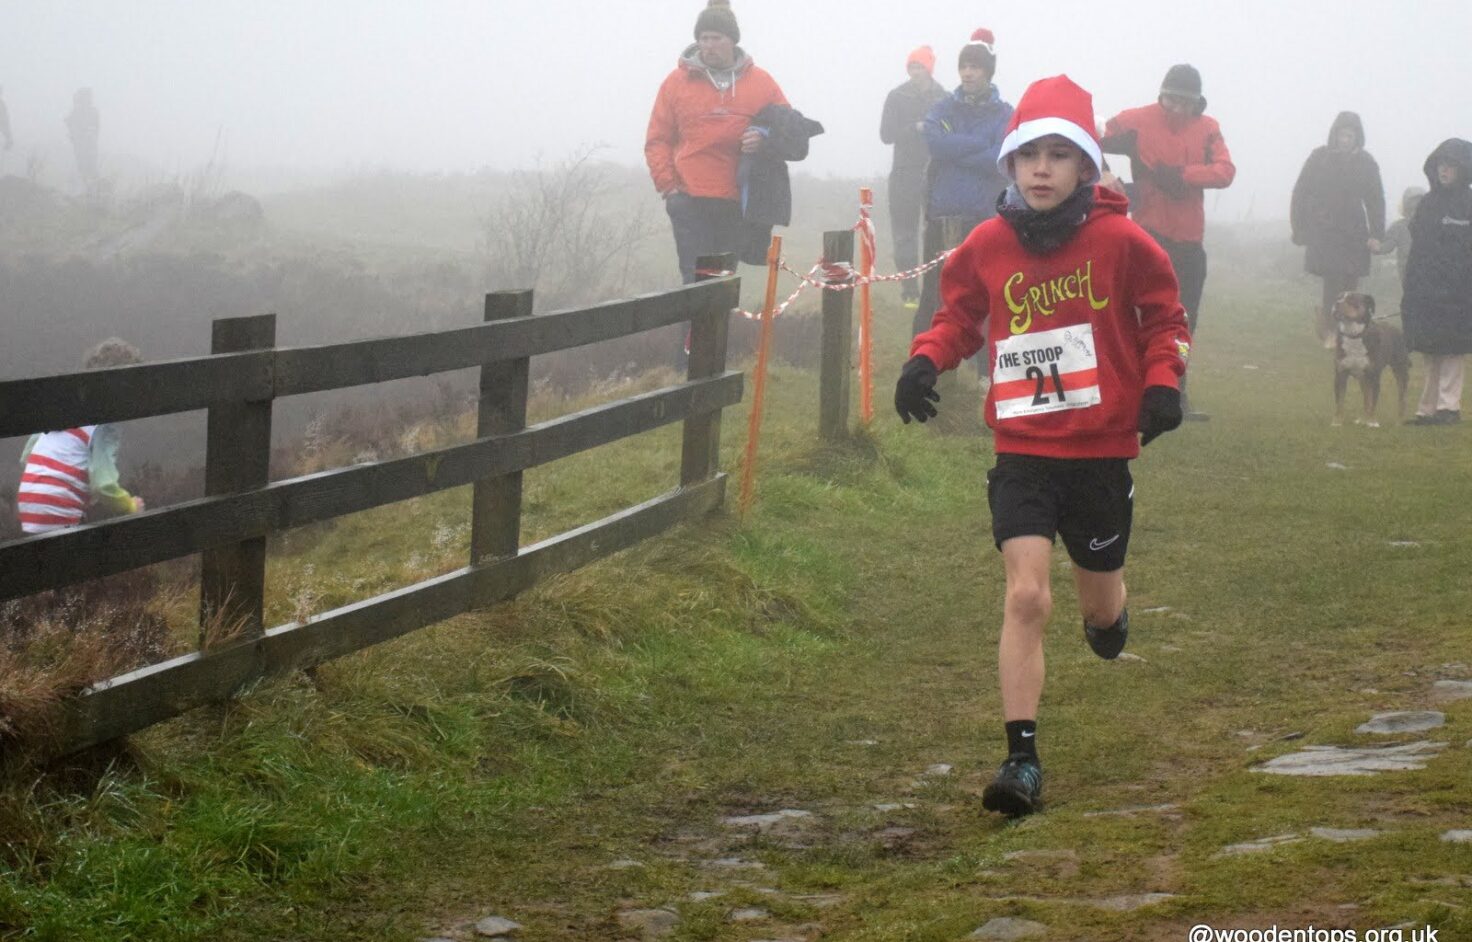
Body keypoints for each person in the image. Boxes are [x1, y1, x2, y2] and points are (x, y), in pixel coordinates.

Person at [894, 76, 1191, 817]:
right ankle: (1020, 759)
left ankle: (1110, 615)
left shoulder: (1124, 242)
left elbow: (1165, 318)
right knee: (1026, 595)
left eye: (1059, 155)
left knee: (1098, 611)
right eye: (1029, 154)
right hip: (1023, 448)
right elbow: (957, 316)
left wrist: (1163, 383)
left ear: (1086, 165)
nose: (1042, 169)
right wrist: (925, 361)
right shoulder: (988, 243)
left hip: (1100, 453)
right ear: (1010, 163)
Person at [1101, 64, 1233, 419]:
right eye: (1169, 99)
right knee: (1137, 313)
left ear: (1197, 103)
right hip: (1148, 234)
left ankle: (1175, 391)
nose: (1174, 107)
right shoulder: (1137, 120)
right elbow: (1088, 135)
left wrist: (1183, 175)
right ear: (1161, 95)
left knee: (1184, 319)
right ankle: (1131, 388)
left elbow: (1226, 171)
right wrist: (1105, 174)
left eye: (1183, 102)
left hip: (1189, 241)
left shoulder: (1208, 129)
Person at [645, 0, 789, 284]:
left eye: (716, 38)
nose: (708, 45)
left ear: (732, 40)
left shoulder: (761, 82)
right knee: (693, 279)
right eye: (703, 38)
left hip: (736, 201)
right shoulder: (675, 82)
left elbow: (788, 128)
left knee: (722, 281)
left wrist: (764, 139)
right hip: (688, 198)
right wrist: (668, 187)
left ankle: (716, 315)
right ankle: (694, 317)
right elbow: (657, 139)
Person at [913, 29, 1014, 338]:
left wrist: (955, 147)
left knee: (985, 294)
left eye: (975, 67)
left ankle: (984, 361)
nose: (968, 73)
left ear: (988, 71)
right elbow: (935, 142)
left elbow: (999, 158)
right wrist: (980, 144)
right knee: (933, 294)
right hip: (941, 216)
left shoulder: (1005, 113)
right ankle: (921, 355)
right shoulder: (944, 107)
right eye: (964, 66)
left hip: (985, 218)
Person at [16, 339, 147, 534]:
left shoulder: (62, 411)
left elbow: (26, 456)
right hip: (60, 509)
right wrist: (130, 506)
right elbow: (104, 486)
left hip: (29, 503)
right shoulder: (104, 427)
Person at [1290, 112, 1386, 347]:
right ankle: (1331, 332)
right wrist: (1299, 227)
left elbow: (1375, 200)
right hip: (1325, 230)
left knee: (1351, 284)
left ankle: (1348, 331)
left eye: (1350, 136)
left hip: (1354, 232)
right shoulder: (1319, 158)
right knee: (1332, 282)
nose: (1345, 140)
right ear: (1334, 135)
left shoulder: (1367, 163)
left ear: (1357, 137)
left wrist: (1377, 234)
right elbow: (1301, 192)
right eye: (1341, 135)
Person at [1402, 139, 1472, 426]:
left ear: (1463, 169)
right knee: (1430, 350)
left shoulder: (1468, 204)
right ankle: (1427, 409)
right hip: (1427, 289)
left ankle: (1449, 408)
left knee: (1452, 350)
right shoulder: (1428, 204)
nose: (1444, 170)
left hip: (1459, 292)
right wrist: (1413, 284)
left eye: (1451, 165)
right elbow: (1418, 247)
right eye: (1441, 164)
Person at [880, 46, 947, 308]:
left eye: (920, 67)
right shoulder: (897, 96)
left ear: (929, 68)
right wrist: (915, 128)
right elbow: (886, 134)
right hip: (903, 174)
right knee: (904, 235)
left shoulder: (945, 98)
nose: (915, 72)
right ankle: (909, 291)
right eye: (912, 67)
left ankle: (936, 291)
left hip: (936, 173)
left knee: (936, 233)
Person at [1373, 186, 1425, 288]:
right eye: (1412, 207)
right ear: (1406, 208)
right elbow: (1387, 245)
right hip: (1408, 271)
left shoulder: (1433, 226)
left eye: (1419, 207)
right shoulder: (1399, 227)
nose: (1415, 210)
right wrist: (1377, 248)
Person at [65, 87, 100, 189]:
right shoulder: (80, 112)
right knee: (84, 165)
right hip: (82, 144)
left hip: (87, 144)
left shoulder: (90, 112)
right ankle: (88, 187)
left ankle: (89, 187)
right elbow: (71, 124)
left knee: (88, 165)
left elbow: (96, 128)